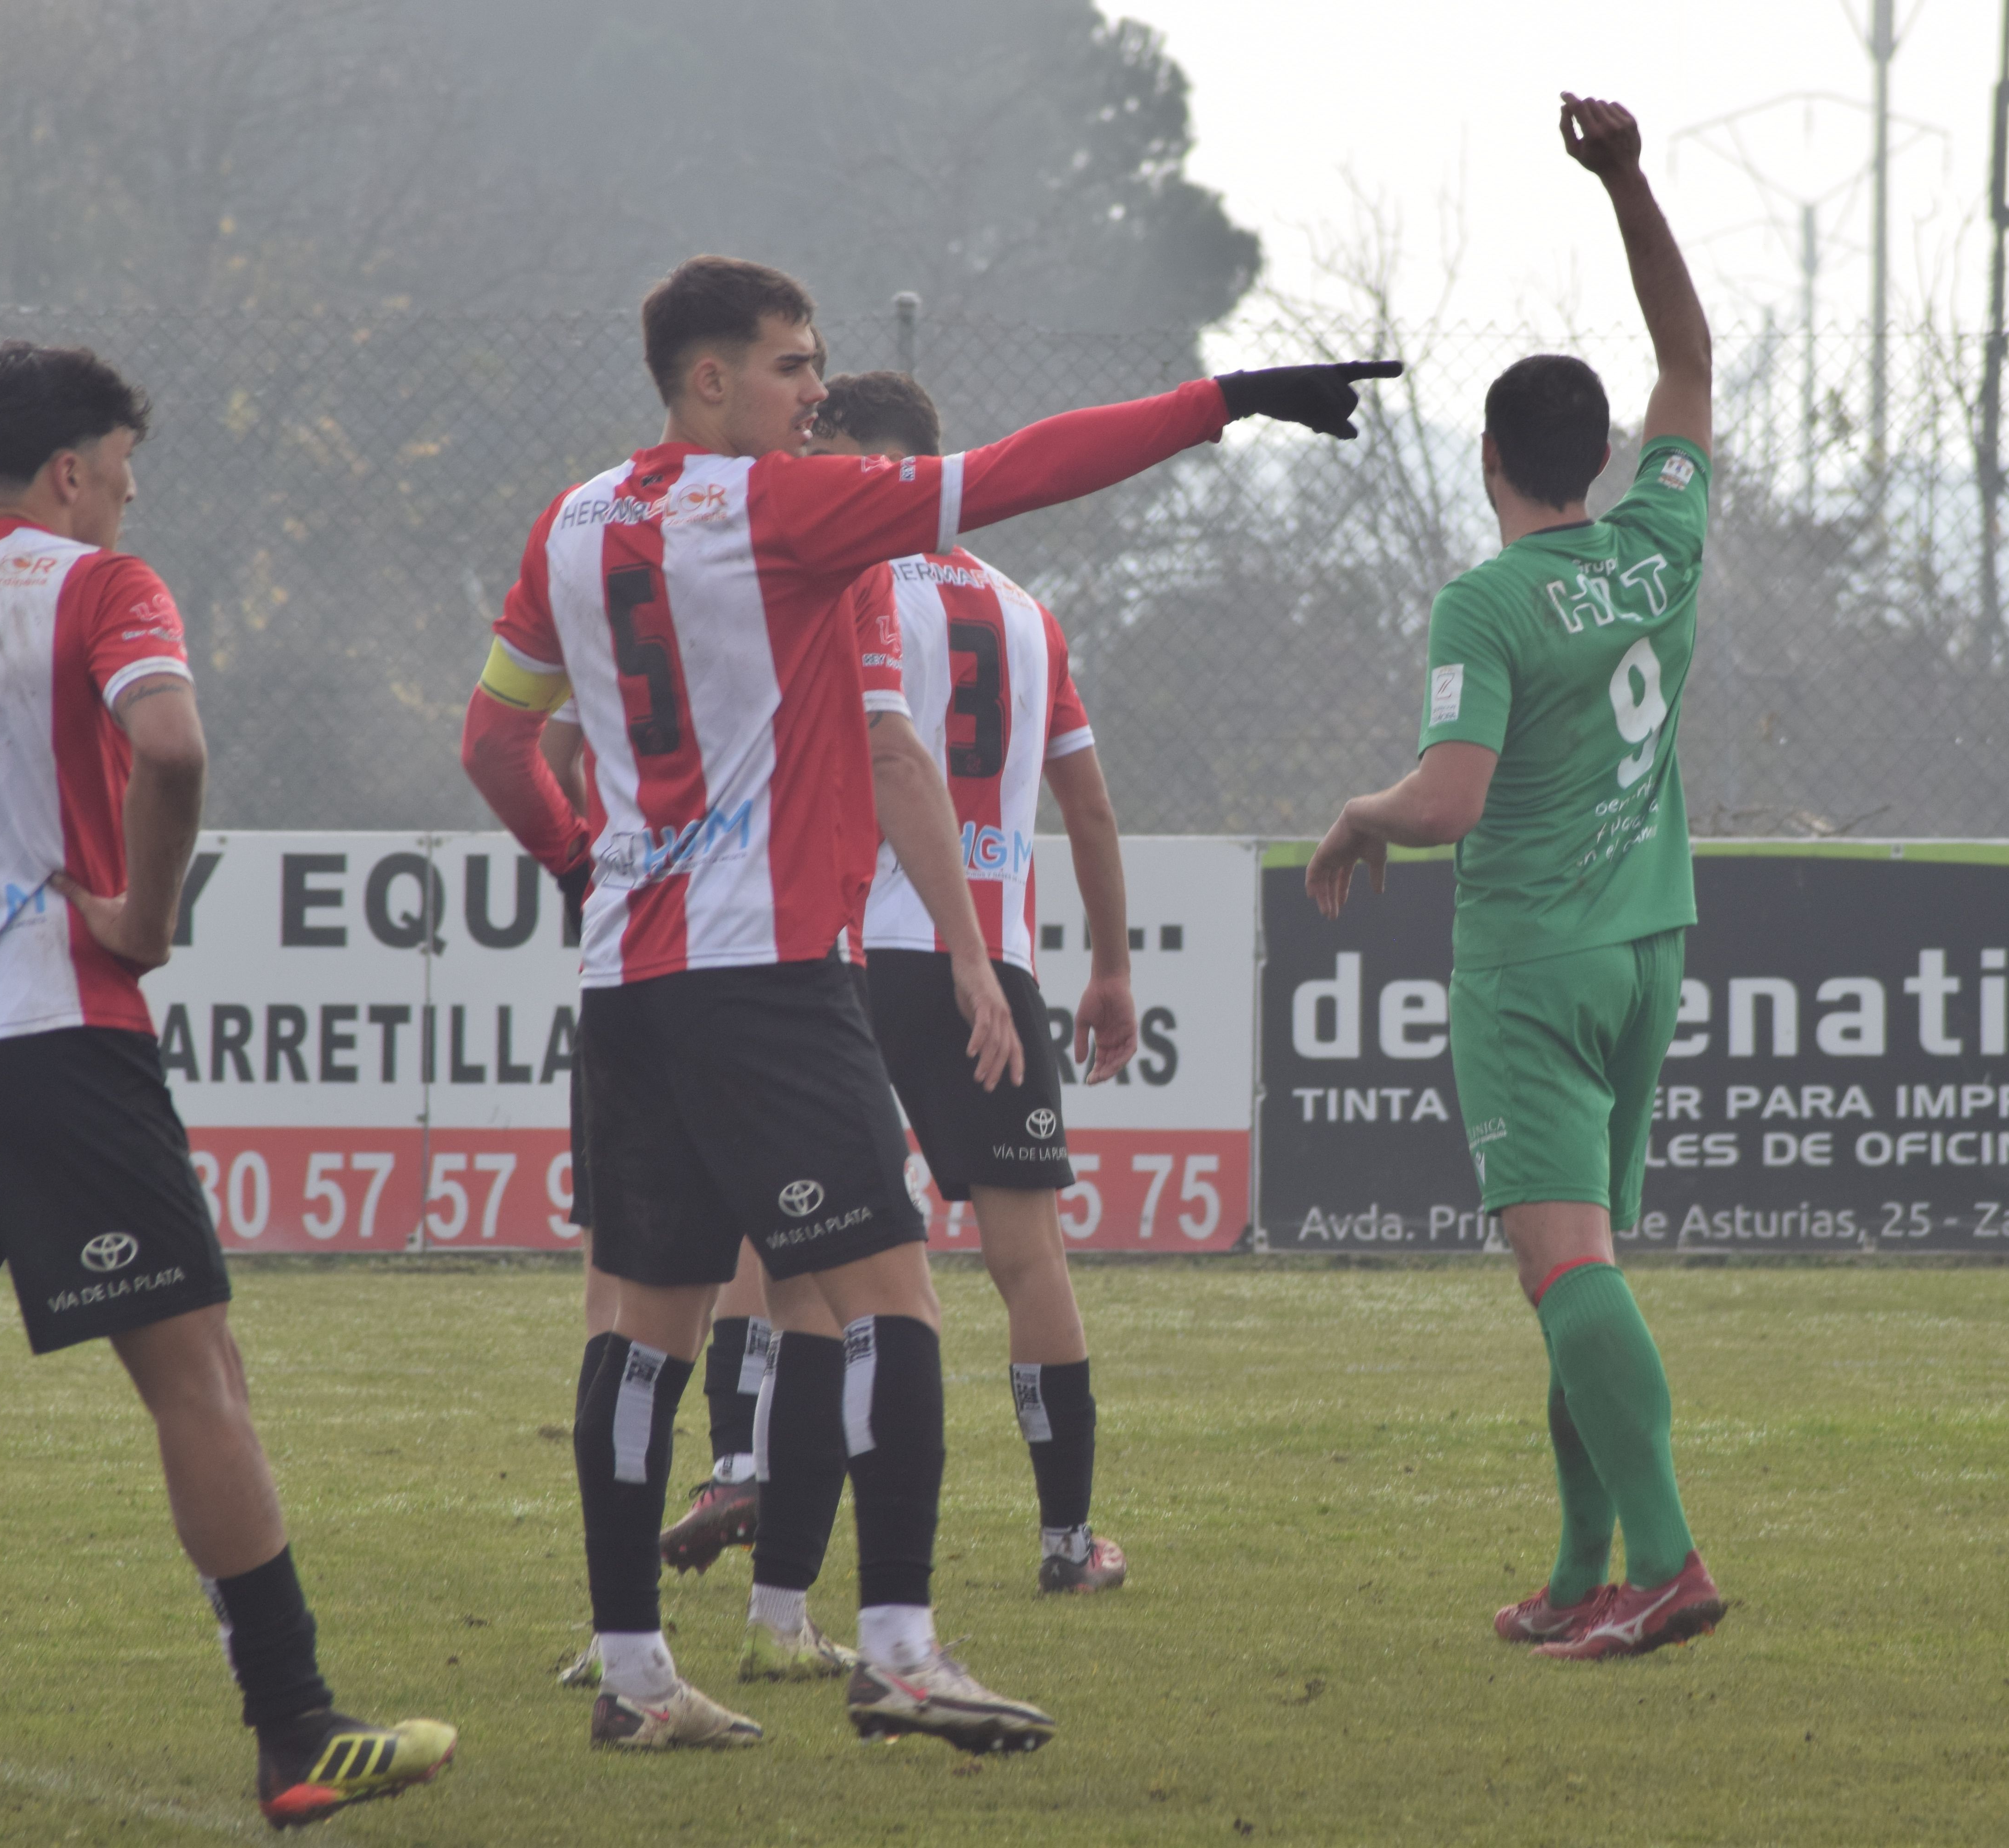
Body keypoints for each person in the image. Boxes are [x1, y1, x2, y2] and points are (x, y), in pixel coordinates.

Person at [460, 255, 1393, 1752]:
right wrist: (1222, 400)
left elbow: (497, 744)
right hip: (767, 975)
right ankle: (897, 1648)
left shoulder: (569, 525)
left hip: (629, 979)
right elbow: (1020, 471)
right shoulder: (783, 507)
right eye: (789, 366)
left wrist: (586, 868)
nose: (815, 392)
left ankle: (634, 1673)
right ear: (711, 382)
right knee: (894, 1291)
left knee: (645, 1327)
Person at [0, 342, 455, 1847]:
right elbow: (172, 745)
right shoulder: (100, 583)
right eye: (123, 466)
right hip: (59, 1038)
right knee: (195, 1380)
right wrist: (145, 922)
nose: (131, 493)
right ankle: (297, 1735)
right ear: (75, 469)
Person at [1305, 92, 1726, 1663]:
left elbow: (1452, 798)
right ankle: (1580, 1575)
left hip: (1533, 963)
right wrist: (1627, 181)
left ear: (1488, 457)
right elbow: (1688, 354)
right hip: (1647, 947)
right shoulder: (1664, 542)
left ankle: (1670, 1564)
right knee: (1584, 1267)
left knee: (1562, 1272)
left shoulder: (1487, 603)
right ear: (1606, 452)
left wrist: (1358, 813)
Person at [807, 369, 1138, 1595]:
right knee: (1027, 1258)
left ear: (870, 462)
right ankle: (1065, 1544)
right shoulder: (1024, 613)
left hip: (848, 951)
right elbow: (1088, 803)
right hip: (986, 959)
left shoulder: (833, 584)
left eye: (823, 447)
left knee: (790, 1243)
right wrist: (1108, 964)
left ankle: (746, 1483)